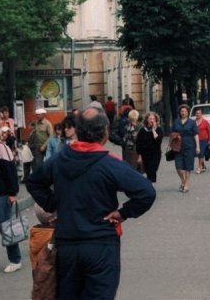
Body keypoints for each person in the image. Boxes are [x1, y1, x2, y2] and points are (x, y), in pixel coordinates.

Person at [26, 107, 156, 299]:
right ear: (105, 131)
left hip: (67, 245)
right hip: (101, 243)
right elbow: (146, 192)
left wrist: (54, 205)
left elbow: (34, 182)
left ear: (78, 130)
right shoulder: (109, 163)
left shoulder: (60, 158)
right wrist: (123, 213)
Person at [0, 118, 23, 274]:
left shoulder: (1, 148)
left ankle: (15, 260)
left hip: (1, 195)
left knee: (6, 228)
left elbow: (11, 173)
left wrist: (13, 193)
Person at [172, 105, 199, 192]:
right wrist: (176, 136)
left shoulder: (192, 122)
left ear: (188, 112)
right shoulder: (176, 121)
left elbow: (196, 134)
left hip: (189, 146)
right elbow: (172, 133)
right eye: (182, 111)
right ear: (180, 112)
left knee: (188, 166)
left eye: (185, 111)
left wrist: (197, 146)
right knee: (178, 167)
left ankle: (187, 183)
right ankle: (183, 181)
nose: (183, 113)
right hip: (178, 146)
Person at [136, 113, 163, 183]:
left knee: (153, 170)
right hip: (145, 154)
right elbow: (138, 143)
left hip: (155, 154)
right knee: (148, 171)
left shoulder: (159, 129)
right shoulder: (142, 130)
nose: (152, 120)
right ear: (147, 120)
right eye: (150, 119)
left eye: (153, 119)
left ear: (156, 120)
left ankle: (151, 185)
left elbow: (158, 141)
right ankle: (150, 185)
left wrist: (153, 130)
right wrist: (139, 155)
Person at [29, 109, 53, 173]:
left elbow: (51, 136)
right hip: (38, 146)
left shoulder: (48, 124)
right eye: (36, 115)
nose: (37, 116)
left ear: (43, 115)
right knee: (38, 163)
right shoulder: (36, 123)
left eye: (39, 115)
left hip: (46, 146)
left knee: (48, 162)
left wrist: (44, 146)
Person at [194, 107, 210, 174]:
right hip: (196, 140)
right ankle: (203, 165)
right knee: (198, 153)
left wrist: (209, 140)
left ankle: (199, 167)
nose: (198, 114)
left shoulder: (205, 122)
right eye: (196, 113)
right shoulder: (193, 122)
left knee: (201, 153)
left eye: (199, 113)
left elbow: (209, 131)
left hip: (204, 139)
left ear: (202, 114)